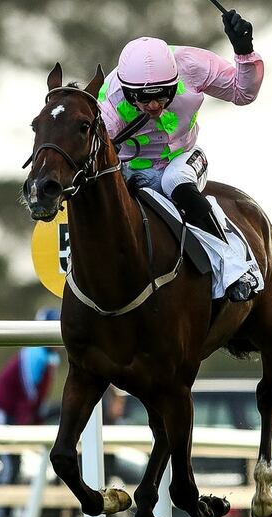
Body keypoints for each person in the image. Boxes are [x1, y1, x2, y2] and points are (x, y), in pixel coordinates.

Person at [97, 9, 261, 302]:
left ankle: (236, 267)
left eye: (163, 94)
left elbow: (243, 93)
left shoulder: (192, 64)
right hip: (128, 168)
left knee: (176, 181)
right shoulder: (109, 102)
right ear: (126, 91)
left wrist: (244, 52)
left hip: (182, 157)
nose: (154, 106)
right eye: (143, 99)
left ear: (175, 82)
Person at [0, 307, 61, 517]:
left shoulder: (49, 356)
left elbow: (37, 399)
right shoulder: (34, 352)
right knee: (9, 462)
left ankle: (1, 514)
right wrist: (31, 424)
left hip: (12, 414)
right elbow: (29, 393)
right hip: (2, 411)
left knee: (13, 463)